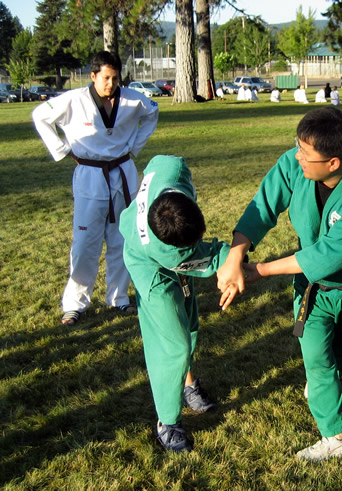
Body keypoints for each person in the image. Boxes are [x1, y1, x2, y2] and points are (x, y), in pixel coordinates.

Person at [217, 107, 342, 461]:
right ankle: (338, 437)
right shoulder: (294, 163)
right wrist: (236, 256)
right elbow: (263, 206)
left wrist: (259, 271)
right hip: (311, 292)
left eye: (306, 154)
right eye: (298, 146)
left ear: (333, 163)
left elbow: (327, 256)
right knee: (318, 361)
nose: (297, 157)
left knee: (339, 358)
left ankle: (323, 387)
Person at [32, 51, 159, 326]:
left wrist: (134, 146)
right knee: (85, 242)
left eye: (115, 78)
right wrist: (63, 149)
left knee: (121, 238)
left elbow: (153, 112)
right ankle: (74, 304)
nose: (110, 84)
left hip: (123, 172)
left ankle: (119, 298)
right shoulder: (74, 100)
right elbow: (40, 115)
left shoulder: (132, 99)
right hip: (90, 172)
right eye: (105, 78)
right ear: (93, 76)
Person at [119, 155, 234, 452]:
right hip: (148, 268)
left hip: (166, 250)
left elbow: (157, 164)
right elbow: (210, 257)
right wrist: (235, 260)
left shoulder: (170, 167)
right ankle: (167, 422)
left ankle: (187, 383)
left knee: (189, 321)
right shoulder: (168, 252)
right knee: (174, 345)